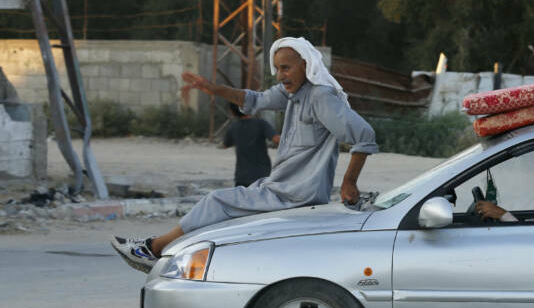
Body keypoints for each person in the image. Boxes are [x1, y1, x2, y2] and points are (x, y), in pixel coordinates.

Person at [110, 36, 378, 272]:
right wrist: (215, 89)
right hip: (278, 186)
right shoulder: (292, 94)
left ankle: (153, 249)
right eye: (277, 69)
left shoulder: (320, 97)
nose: (280, 75)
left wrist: (349, 181)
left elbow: (363, 134)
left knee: (216, 201)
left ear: (306, 66)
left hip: (295, 193)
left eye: (286, 67)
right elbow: (256, 99)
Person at [223, 102, 280, 187]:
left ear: (232, 112)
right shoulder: (261, 124)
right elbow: (276, 139)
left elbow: (225, 145)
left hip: (241, 178)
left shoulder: (233, 127)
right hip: (262, 176)